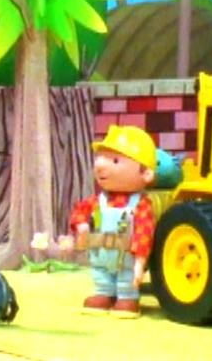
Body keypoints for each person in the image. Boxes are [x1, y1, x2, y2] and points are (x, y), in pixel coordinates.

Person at [70, 125, 156, 318]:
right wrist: (81, 225)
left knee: (126, 281)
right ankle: (104, 293)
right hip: (99, 257)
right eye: (100, 158)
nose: (100, 165)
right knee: (101, 277)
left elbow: (144, 233)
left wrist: (140, 263)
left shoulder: (141, 205)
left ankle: (127, 297)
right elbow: (79, 211)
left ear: (145, 173)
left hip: (126, 260)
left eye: (115, 160)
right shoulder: (97, 200)